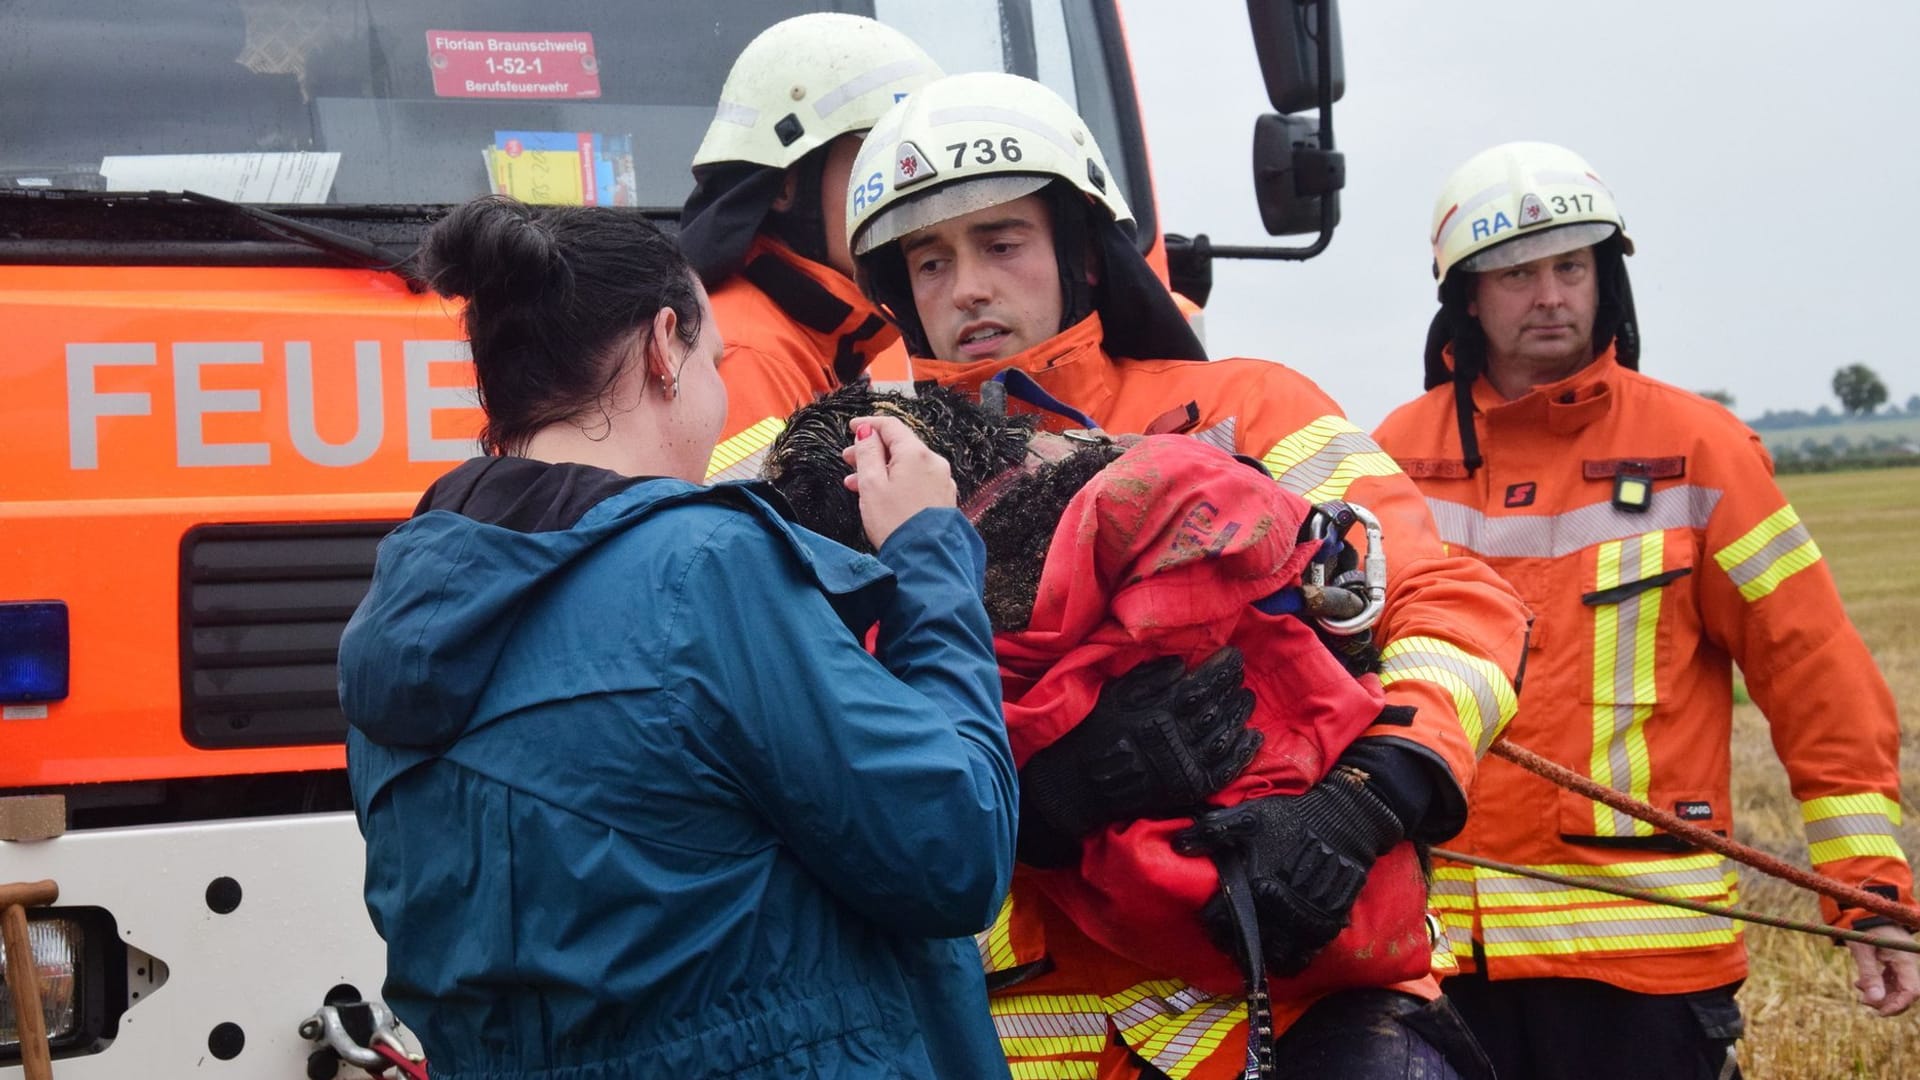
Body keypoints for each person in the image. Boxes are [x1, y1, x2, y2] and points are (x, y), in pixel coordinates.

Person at [843, 72, 1534, 1080]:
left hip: (1289, 1007)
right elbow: (838, 736)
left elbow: (1454, 607)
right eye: (930, 260)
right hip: (1011, 1036)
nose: (968, 289)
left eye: (1001, 244)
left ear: (1082, 254)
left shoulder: (1246, 408)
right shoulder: (870, 472)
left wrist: (1368, 798)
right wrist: (1035, 801)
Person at [337, 194, 1025, 1079]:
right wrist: (929, 551)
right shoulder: (701, 569)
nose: (719, 389)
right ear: (664, 345)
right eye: (714, 357)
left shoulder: (400, 607)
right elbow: (952, 851)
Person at [1372, 141, 1917, 1080]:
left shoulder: (1699, 451)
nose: (1550, 295)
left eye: (1570, 267)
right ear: (1466, 294)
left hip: (1644, 966)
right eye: (1516, 273)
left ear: (1605, 279)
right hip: (1436, 955)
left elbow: (1811, 668)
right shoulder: (1390, 455)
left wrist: (1869, 893)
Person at [680, 13, 941, 483]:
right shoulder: (742, 352)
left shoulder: (837, 336)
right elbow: (741, 547)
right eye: (874, 160)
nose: (902, 195)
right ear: (787, 185)